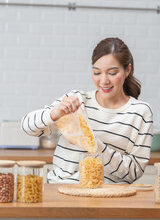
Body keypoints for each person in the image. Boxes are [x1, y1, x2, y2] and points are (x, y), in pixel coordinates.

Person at [22, 37, 153, 184]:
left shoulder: (140, 113)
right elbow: (28, 127)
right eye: (97, 73)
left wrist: (93, 145)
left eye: (112, 73)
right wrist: (56, 113)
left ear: (127, 70)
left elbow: (134, 171)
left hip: (106, 196)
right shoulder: (77, 101)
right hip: (60, 189)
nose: (104, 81)